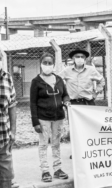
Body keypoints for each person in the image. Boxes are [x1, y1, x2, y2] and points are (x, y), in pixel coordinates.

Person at [30, 53, 70, 182]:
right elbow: (33, 102)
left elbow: (65, 95)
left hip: (58, 117)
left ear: (54, 64)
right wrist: (35, 121)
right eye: (45, 63)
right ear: (41, 64)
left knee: (56, 143)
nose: (47, 65)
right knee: (43, 144)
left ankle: (57, 169)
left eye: (50, 63)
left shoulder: (59, 79)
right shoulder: (36, 82)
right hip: (43, 118)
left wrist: (67, 101)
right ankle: (45, 171)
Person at [0, 52, 17, 188]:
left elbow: (12, 106)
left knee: (6, 176)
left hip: (3, 136)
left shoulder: (7, 78)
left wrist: (13, 130)